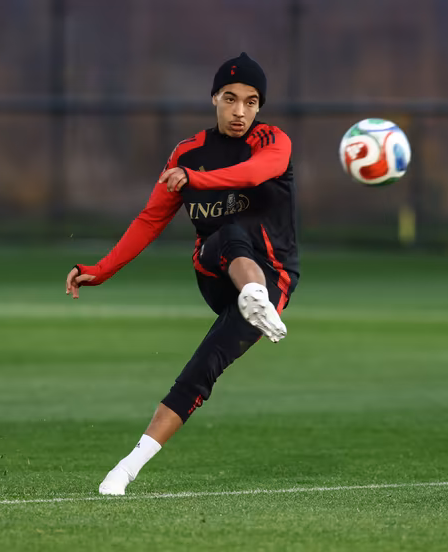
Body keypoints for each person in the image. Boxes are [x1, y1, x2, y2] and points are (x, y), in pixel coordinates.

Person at [64, 52, 299, 496]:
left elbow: (255, 173)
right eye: (230, 99)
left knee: (201, 370)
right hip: (215, 268)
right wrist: (101, 270)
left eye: (251, 102)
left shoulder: (273, 142)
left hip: (275, 277)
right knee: (229, 234)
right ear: (214, 98)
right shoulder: (189, 152)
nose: (240, 111)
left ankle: (125, 470)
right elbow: (151, 219)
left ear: (260, 107)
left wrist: (195, 181)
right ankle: (251, 293)